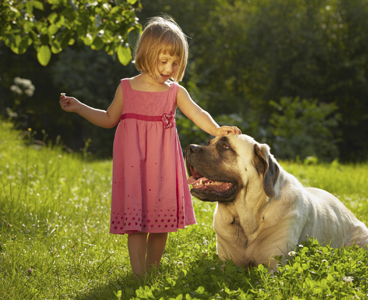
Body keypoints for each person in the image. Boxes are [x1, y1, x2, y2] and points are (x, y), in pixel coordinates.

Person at [59, 15, 241, 279]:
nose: (169, 68)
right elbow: (109, 118)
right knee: (136, 226)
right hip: (134, 168)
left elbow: (198, 113)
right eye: (163, 60)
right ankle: (139, 276)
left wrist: (215, 130)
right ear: (146, 54)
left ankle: (152, 271)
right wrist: (79, 108)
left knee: (160, 223)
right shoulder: (126, 88)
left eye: (175, 62)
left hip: (163, 167)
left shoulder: (174, 91)